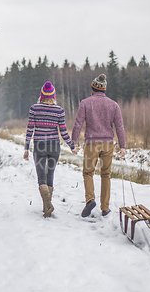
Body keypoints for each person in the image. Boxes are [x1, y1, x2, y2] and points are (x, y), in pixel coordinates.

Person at [70, 74, 126, 218]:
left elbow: (78, 123)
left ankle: (90, 199)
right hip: (108, 144)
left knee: (88, 172)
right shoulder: (114, 105)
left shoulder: (85, 103)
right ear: (104, 89)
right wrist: (122, 146)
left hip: (91, 144)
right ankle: (105, 208)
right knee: (106, 175)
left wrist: (73, 142)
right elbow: (119, 126)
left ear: (93, 88)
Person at [23, 81, 75, 218]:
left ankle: (47, 205)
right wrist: (72, 146)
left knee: (41, 177)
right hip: (54, 146)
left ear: (41, 95)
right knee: (50, 175)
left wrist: (26, 148)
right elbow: (63, 132)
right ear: (53, 95)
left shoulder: (34, 109)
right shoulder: (59, 110)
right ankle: (47, 207)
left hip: (39, 145)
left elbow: (30, 130)